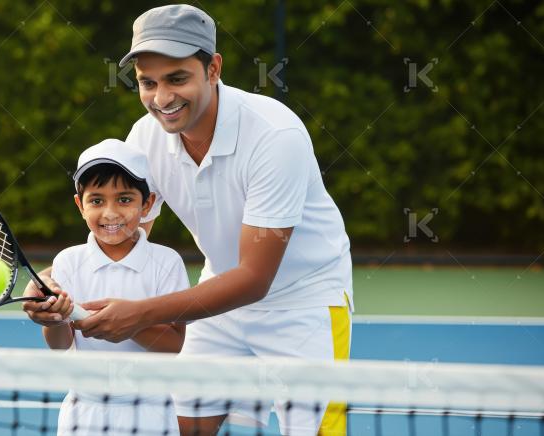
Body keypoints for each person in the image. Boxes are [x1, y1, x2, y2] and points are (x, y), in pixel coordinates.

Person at [25, 4, 353, 435]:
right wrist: (57, 277)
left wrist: (140, 313)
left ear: (213, 68)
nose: (161, 98)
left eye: (177, 78)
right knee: (177, 427)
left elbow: (255, 278)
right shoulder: (146, 137)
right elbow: (123, 234)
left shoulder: (276, 137)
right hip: (219, 301)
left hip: (304, 302)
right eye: (148, 83)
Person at [37, 138, 189, 436]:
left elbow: (174, 345)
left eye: (124, 199)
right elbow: (60, 346)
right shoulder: (66, 262)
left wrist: (130, 324)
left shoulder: (168, 263)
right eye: (96, 200)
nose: (110, 213)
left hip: (152, 414)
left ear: (147, 204)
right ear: (80, 205)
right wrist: (55, 319)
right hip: (83, 415)